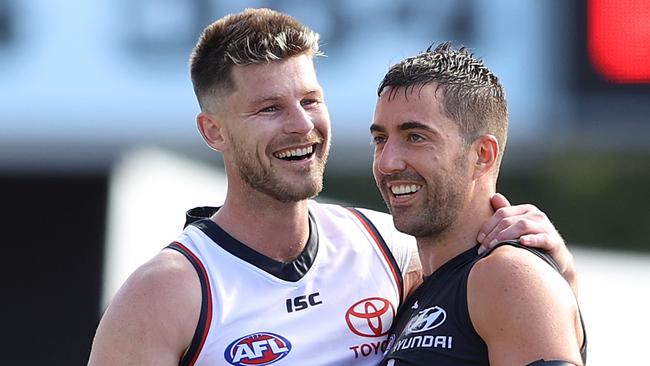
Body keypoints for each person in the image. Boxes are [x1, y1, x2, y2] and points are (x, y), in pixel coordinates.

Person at [87, 9, 578, 366]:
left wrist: (558, 270)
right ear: (213, 131)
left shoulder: (390, 247)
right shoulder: (164, 294)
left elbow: (521, 311)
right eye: (269, 109)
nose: (302, 126)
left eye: (310, 100)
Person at [373, 43, 586, 366]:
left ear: (482, 155)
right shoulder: (419, 288)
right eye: (380, 139)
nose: (388, 162)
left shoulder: (507, 275)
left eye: (415, 137)